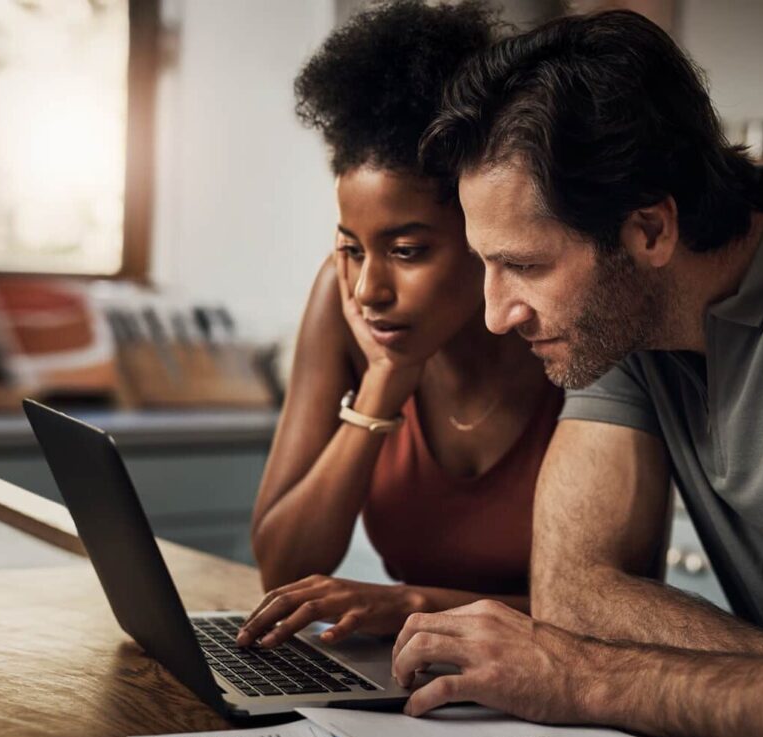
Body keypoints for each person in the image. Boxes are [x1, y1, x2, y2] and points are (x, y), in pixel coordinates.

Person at [389, 10, 763, 737]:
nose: (496, 313)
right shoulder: (625, 322)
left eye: (526, 266)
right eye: (487, 265)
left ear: (652, 231)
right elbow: (573, 597)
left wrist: (583, 676)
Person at [237, 1, 564, 650]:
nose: (368, 288)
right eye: (351, 247)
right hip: (407, 679)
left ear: (483, 231)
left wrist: (417, 604)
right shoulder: (343, 301)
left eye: (407, 250)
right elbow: (282, 564)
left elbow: (611, 607)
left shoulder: (564, 328)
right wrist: (384, 384)